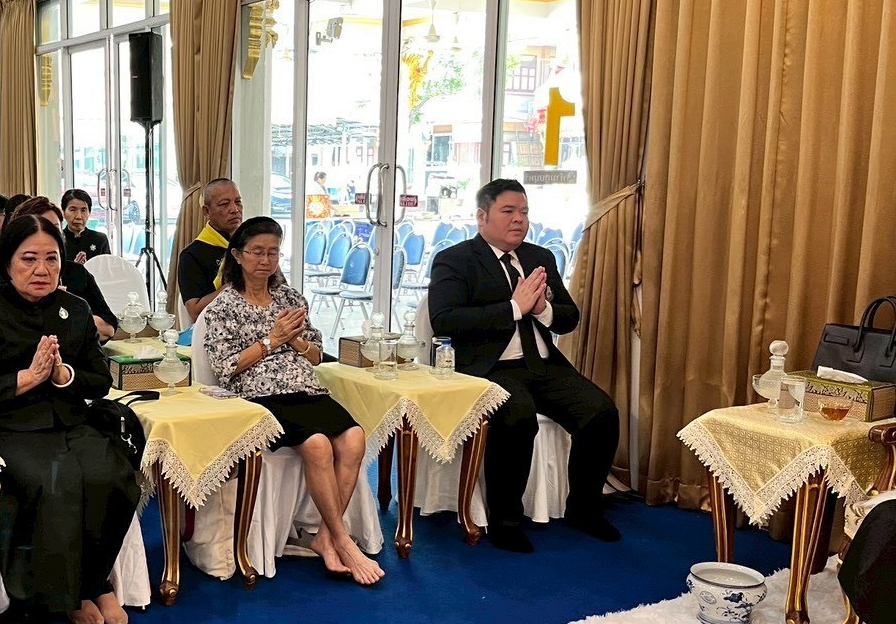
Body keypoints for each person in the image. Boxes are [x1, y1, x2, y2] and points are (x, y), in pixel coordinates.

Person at [0, 215, 140, 624]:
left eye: (52, 259)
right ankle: (64, 594)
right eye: (29, 259)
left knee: (113, 475)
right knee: (56, 480)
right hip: (7, 427)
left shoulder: (76, 308)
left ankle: (94, 579)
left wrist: (62, 375)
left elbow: (100, 380)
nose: (41, 270)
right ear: (7, 262)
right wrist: (26, 379)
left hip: (71, 421)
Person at [428, 179, 620, 554]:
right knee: (517, 417)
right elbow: (446, 320)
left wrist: (541, 308)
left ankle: (584, 508)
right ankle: (506, 520)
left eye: (524, 212)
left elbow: (568, 318)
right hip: (491, 367)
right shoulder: (456, 259)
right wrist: (514, 309)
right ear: (482, 217)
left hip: (543, 364)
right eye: (509, 211)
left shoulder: (539, 257)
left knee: (601, 412)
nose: (519, 220)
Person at [202, 216, 382, 585]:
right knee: (317, 445)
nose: (265, 260)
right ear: (237, 255)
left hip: (305, 387)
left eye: (273, 252)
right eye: (256, 252)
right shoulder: (223, 307)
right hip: (259, 394)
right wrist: (272, 339)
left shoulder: (289, 297)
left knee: (354, 438)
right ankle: (344, 542)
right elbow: (225, 368)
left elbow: (316, 355)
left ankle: (325, 538)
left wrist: (295, 341)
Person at [11, 196, 117, 340]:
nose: (48, 235)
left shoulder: (77, 272)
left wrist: (67, 314)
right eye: (39, 227)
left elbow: (108, 327)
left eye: (54, 228)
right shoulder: (8, 275)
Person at [178, 178, 245, 321]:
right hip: (216, 330)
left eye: (238, 202)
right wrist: (237, 284)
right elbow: (195, 311)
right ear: (207, 211)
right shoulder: (192, 255)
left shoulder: (251, 247)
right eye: (224, 204)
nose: (235, 209)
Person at [60, 188, 111, 263]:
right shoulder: (58, 240)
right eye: (73, 210)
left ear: (89, 213)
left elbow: (107, 270)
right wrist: (74, 267)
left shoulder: (100, 240)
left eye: (83, 210)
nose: (78, 217)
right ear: (63, 212)